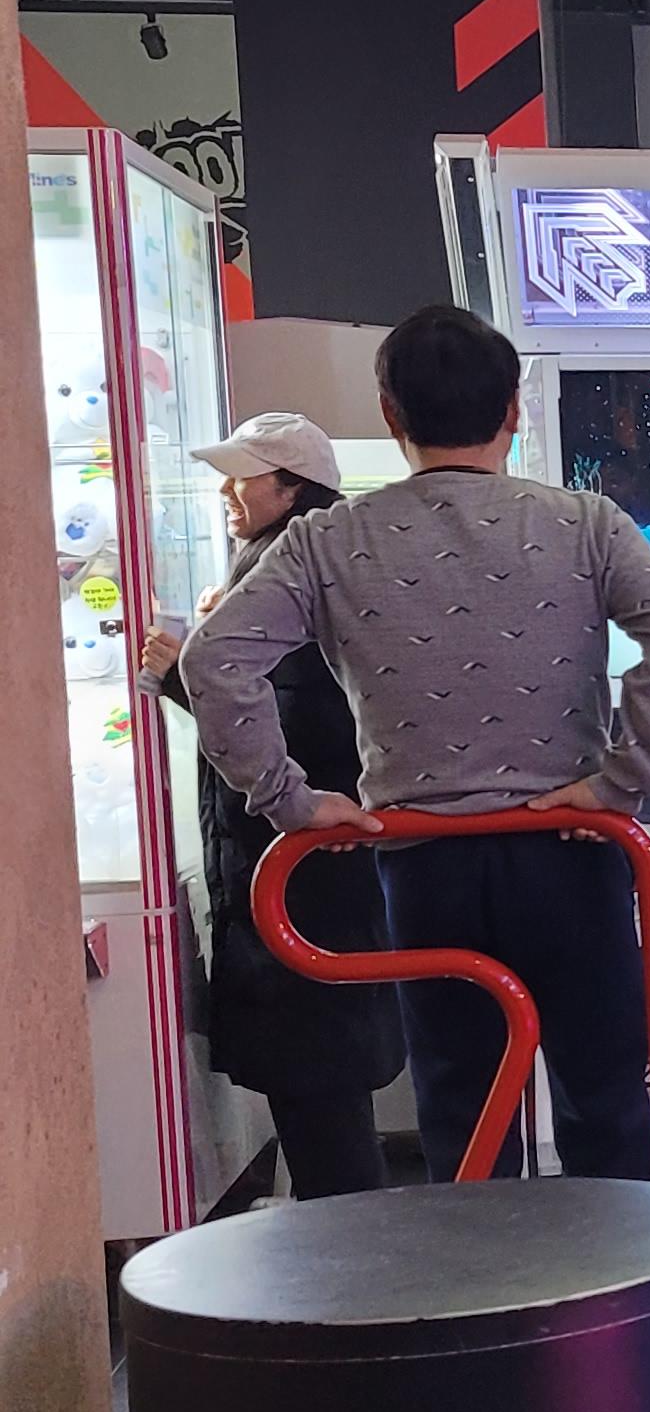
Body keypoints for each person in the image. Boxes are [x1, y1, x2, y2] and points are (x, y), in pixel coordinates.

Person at [178, 304, 650, 1183]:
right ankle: (624, 1275)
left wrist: (289, 801)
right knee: (608, 1102)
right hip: (575, 847)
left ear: (391, 415)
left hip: (425, 862)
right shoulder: (587, 522)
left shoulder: (327, 539)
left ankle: (485, 1274)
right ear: (514, 410)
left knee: (466, 1120)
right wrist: (624, 778)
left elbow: (212, 660)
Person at [139, 411, 404, 1198]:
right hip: (305, 873)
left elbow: (296, 725)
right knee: (318, 1089)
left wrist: (186, 674)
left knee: (319, 1088)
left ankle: (350, 1251)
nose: (225, 492)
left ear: (292, 490)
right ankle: (343, 1240)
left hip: (303, 877)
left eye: (242, 478)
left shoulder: (291, 576)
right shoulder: (306, 566)